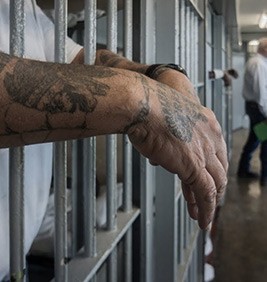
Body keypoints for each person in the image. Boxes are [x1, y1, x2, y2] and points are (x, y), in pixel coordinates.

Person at [0, 0, 228, 280]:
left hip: (14, 262)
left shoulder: (22, 6)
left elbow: (78, 60)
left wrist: (162, 73)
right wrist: (140, 100)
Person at [237, 38, 267, 186]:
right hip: (259, 110)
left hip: (256, 108)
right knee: (265, 141)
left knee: (254, 140)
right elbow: (260, 91)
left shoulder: (258, 62)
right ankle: (265, 177)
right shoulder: (258, 64)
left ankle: (243, 170)